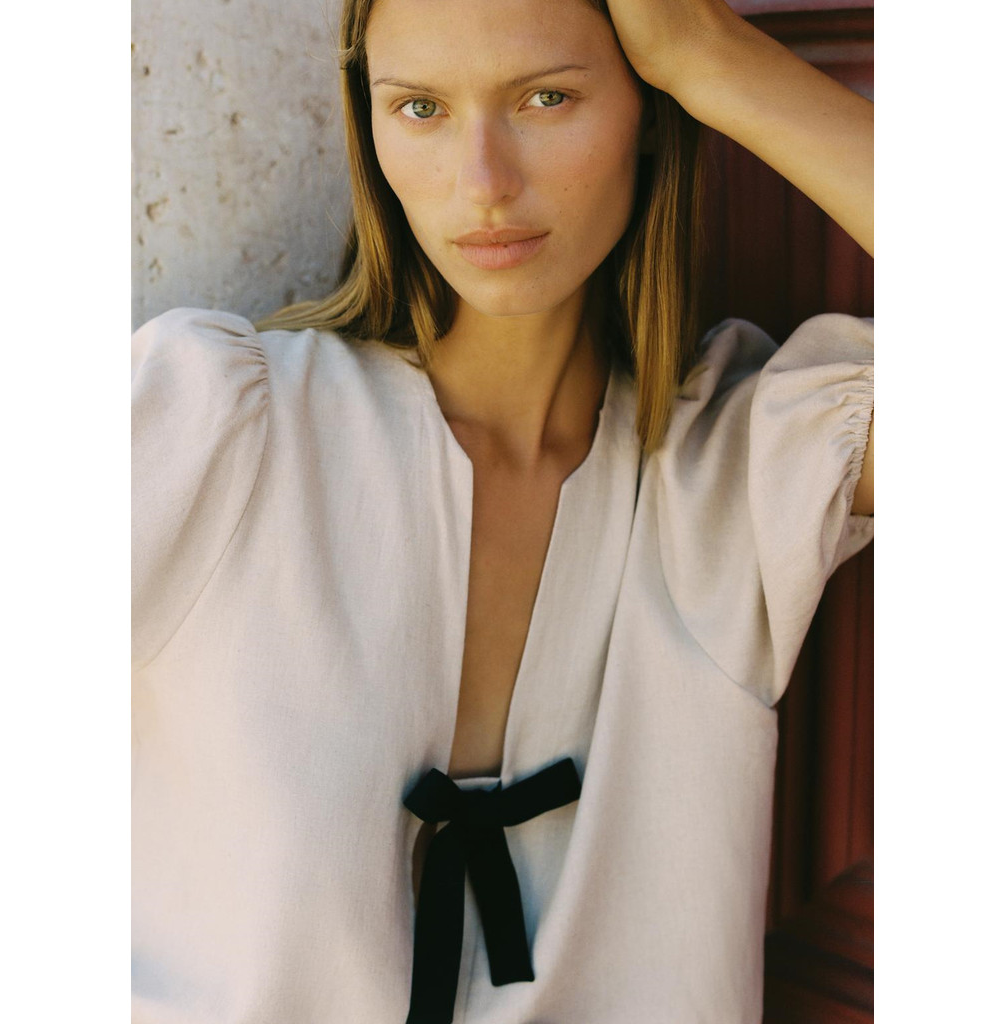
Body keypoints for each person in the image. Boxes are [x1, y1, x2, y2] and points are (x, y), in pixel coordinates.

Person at [132, 0, 873, 1021]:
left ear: (649, 110)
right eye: (422, 108)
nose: (483, 182)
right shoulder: (214, 428)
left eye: (547, 98)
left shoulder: (730, 476)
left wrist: (711, 55)